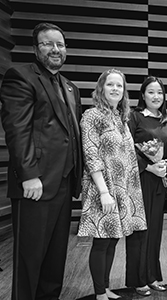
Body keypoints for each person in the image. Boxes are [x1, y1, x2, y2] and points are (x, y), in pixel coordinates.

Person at [0, 22, 82, 300]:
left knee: (55, 259)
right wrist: (28, 175)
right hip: (35, 184)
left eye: (60, 44)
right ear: (36, 49)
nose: (55, 49)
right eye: (48, 43)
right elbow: (17, 129)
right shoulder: (21, 76)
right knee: (29, 259)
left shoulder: (70, 87)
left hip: (64, 183)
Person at [77, 69, 147, 300]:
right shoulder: (91, 115)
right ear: (101, 88)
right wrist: (104, 192)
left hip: (122, 189)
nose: (115, 89)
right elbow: (91, 154)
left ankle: (105, 287)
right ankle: (99, 293)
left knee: (113, 239)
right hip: (103, 188)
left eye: (120, 85)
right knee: (101, 240)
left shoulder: (121, 118)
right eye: (110, 85)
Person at [125, 76, 167, 296]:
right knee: (139, 230)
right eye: (151, 92)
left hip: (159, 181)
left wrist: (165, 163)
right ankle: (137, 279)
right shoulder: (134, 117)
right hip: (140, 179)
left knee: (154, 230)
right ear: (143, 95)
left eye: (160, 92)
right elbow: (126, 149)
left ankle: (152, 275)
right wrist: (148, 166)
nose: (156, 96)